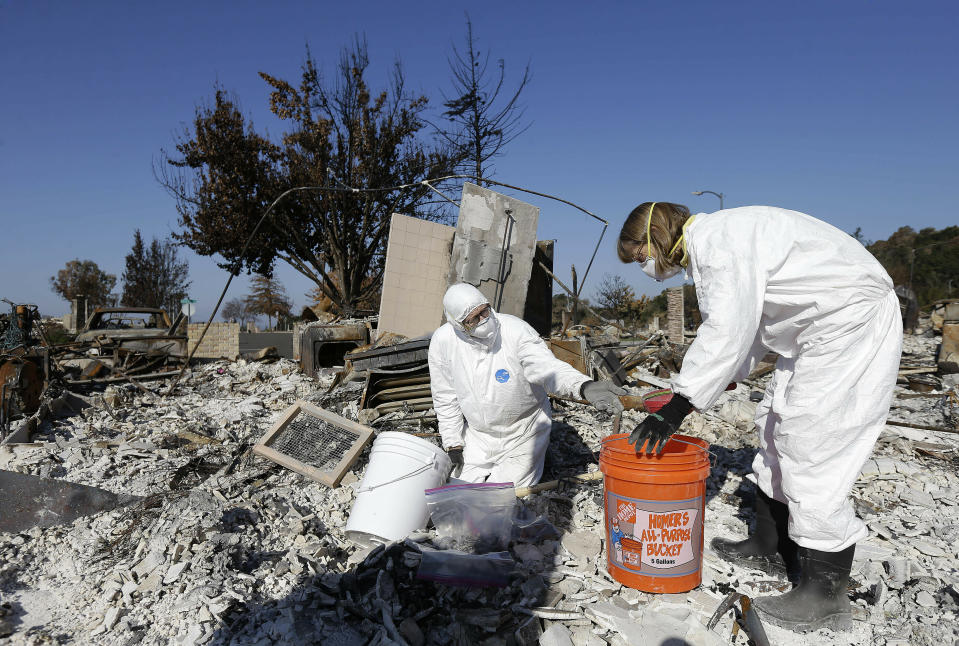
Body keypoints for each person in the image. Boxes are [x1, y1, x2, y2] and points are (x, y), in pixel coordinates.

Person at [617, 202, 901, 633]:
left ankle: (825, 595)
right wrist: (723, 377)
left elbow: (727, 330)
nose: (645, 267)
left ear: (656, 236)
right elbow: (748, 326)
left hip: (849, 322)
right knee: (773, 427)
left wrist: (678, 407)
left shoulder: (719, 244)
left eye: (641, 256)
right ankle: (771, 543)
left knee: (813, 442)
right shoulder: (716, 242)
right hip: (814, 331)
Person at [428, 283, 627, 488]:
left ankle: (538, 457)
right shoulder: (443, 342)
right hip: (478, 436)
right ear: (458, 325)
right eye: (473, 319)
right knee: (457, 491)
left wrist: (583, 386)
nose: (484, 321)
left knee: (502, 494)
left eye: (485, 312)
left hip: (524, 431)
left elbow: (547, 368)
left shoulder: (515, 331)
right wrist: (453, 445)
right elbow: (445, 397)